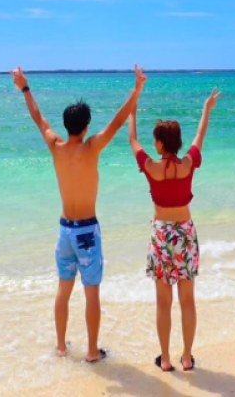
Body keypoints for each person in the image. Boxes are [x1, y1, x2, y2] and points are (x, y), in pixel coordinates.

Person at [11, 65, 147, 363]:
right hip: (87, 232)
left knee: (63, 288)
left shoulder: (56, 146)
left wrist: (25, 87)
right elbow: (117, 121)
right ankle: (91, 351)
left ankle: (61, 347)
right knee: (91, 292)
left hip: (64, 231)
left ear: (67, 125)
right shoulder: (91, 148)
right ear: (86, 126)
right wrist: (136, 90)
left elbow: (38, 117)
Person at [127, 88, 220, 372]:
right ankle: (188, 357)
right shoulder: (189, 163)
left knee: (163, 302)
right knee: (188, 300)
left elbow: (132, 139)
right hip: (185, 233)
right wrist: (206, 109)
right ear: (177, 142)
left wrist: (132, 110)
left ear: (158, 144)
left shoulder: (152, 167)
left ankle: (165, 359)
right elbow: (200, 136)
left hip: (161, 235)